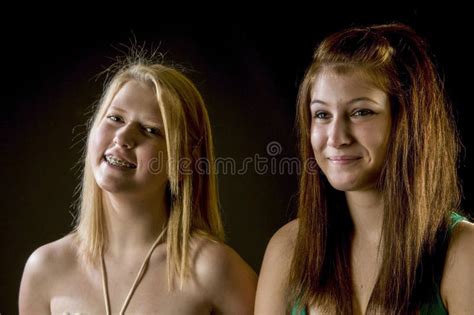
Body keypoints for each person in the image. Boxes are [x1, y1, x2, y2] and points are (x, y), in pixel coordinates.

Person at [255, 23, 474, 314]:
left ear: (406, 122)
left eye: (361, 112)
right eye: (322, 114)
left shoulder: (463, 252)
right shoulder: (287, 250)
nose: (336, 137)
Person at [19, 56, 257, 314]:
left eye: (151, 130)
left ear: (184, 161)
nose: (122, 137)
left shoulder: (215, 270)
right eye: (115, 118)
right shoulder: (44, 269)